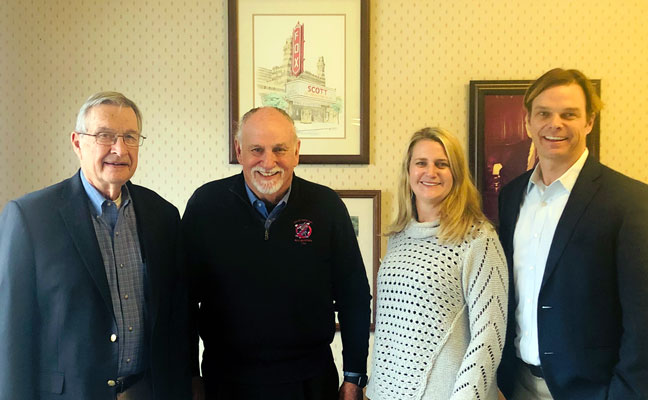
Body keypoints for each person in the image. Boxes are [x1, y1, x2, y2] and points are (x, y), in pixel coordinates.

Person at [0, 92, 191, 400]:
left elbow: (177, 319)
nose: (120, 149)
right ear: (77, 142)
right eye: (105, 136)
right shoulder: (30, 218)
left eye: (130, 137)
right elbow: (11, 333)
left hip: (148, 391)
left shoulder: (163, 216)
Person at [182, 106, 371, 400]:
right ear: (239, 151)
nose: (268, 162)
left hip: (310, 382)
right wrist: (190, 373)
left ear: (296, 152)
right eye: (256, 149)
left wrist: (354, 375)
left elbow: (354, 295)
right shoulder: (205, 205)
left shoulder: (327, 206)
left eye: (279, 149)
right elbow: (183, 300)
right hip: (226, 383)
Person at [496, 68, 648, 399]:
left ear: (589, 122)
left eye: (569, 114)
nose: (556, 124)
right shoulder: (510, 196)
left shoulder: (630, 200)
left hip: (593, 390)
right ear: (528, 122)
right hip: (516, 383)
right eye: (544, 114)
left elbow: (643, 317)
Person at [366, 127, 508, 400]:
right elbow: (391, 328)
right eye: (421, 163)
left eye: (442, 164)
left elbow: (489, 336)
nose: (430, 172)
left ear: (455, 173)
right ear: (408, 172)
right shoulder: (398, 236)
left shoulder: (478, 239)